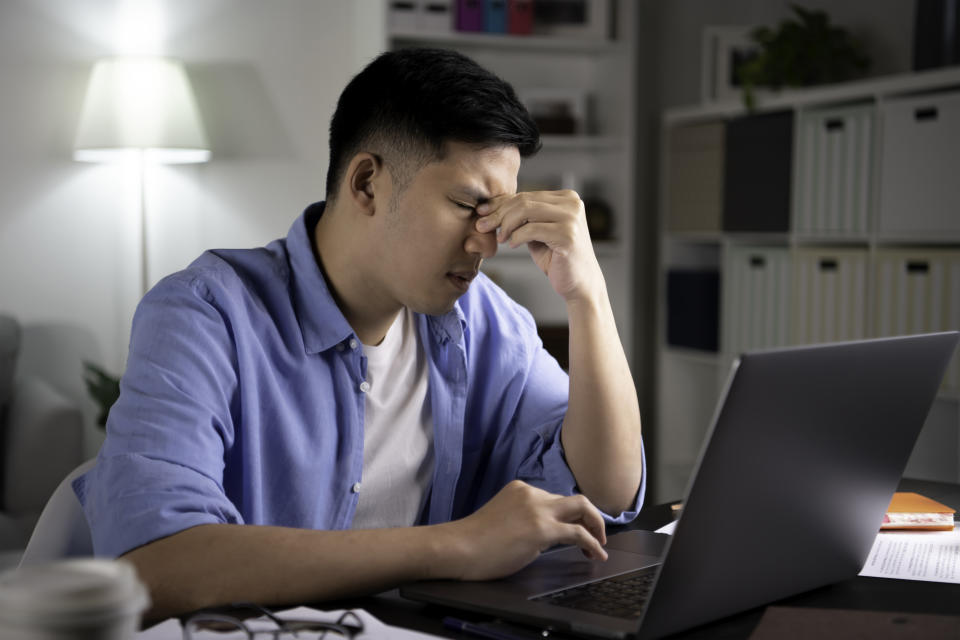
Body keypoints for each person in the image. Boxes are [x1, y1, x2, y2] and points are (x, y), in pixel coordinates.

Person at [75, 47, 645, 622]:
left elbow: (606, 493)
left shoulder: (488, 320)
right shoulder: (204, 314)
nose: (488, 243)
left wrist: (587, 295)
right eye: (467, 205)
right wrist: (457, 545)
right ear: (367, 183)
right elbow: (156, 563)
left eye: (495, 214)